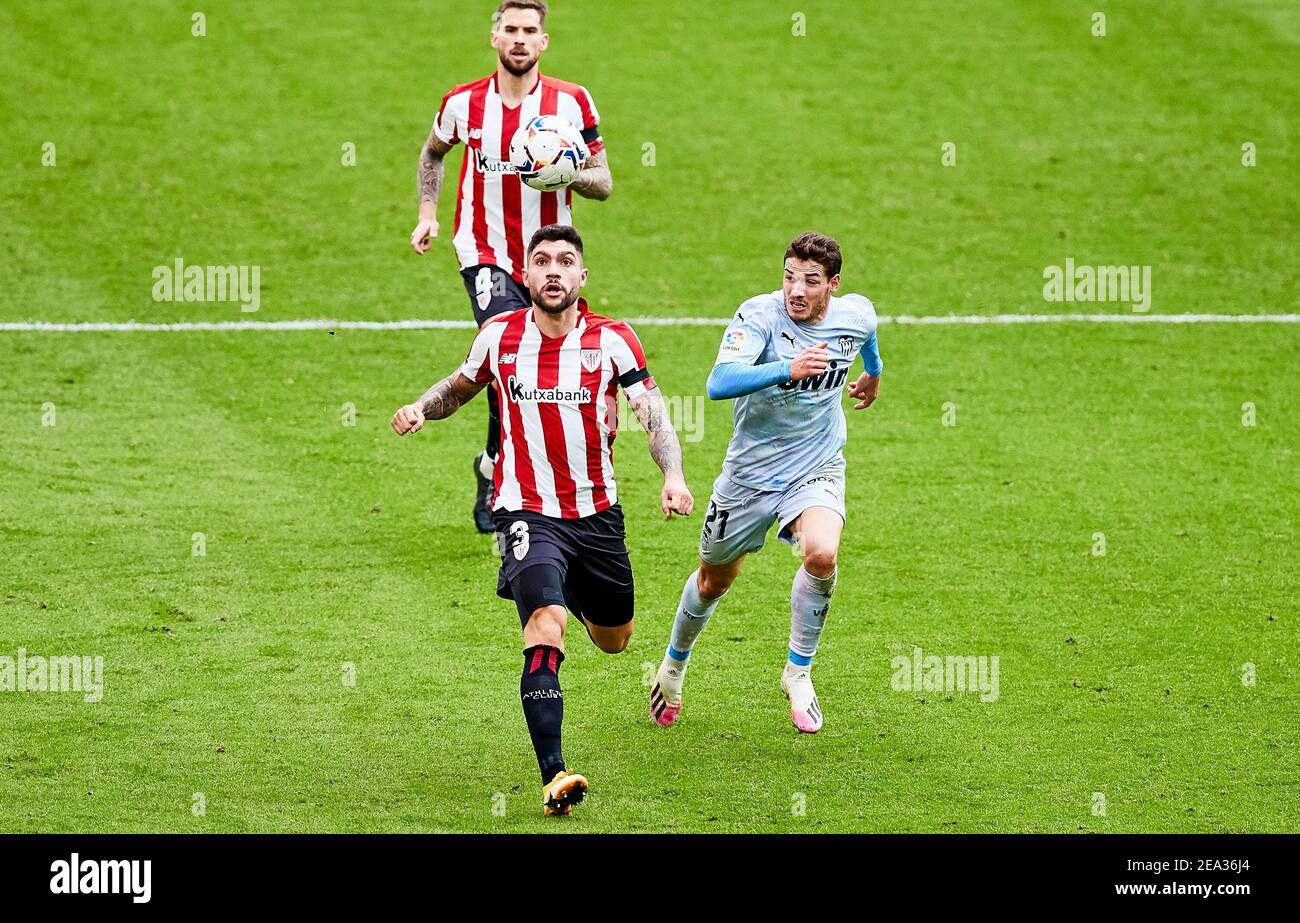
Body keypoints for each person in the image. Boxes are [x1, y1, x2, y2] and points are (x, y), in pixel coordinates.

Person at [393, 225, 692, 815]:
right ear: (524, 277)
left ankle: (574, 595)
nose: (553, 270)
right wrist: (421, 409)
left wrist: (673, 475)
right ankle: (555, 773)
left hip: (596, 515)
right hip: (525, 509)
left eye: (565, 262)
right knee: (543, 626)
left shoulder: (614, 341)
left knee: (615, 640)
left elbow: (652, 414)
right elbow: (459, 387)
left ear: (582, 277)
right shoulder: (498, 336)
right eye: (541, 261)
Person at [648, 232, 883, 734]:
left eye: (811, 281)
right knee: (714, 580)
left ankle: (798, 672)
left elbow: (868, 336)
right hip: (750, 475)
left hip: (815, 466)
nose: (795, 289)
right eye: (789, 276)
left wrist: (874, 374)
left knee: (821, 553)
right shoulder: (758, 315)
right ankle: (673, 666)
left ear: (833, 285)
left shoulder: (854, 314)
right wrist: (785, 369)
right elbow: (718, 382)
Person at [410, 0, 613, 533]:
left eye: (530, 31)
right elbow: (432, 154)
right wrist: (428, 215)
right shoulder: (463, 104)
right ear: (494, 37)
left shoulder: (572, 102)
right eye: (510, 30)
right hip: (485, 253)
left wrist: (564, 171)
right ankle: (508, 482)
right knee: (508, 352)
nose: (520, 39)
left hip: (549, 254)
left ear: (543, 41)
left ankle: (491, 465)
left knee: (527, 368)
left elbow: (605, 182)